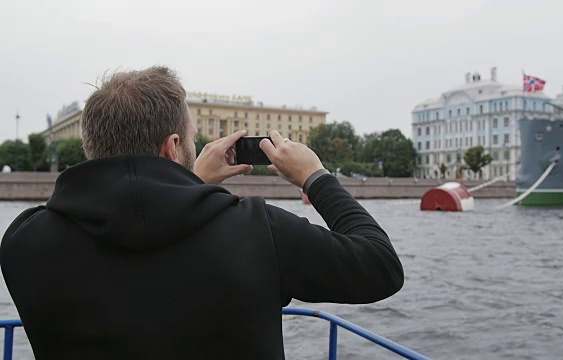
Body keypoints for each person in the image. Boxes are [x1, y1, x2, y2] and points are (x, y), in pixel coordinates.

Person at [0, 66, 403, 359]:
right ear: (172, 147)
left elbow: (137, 210)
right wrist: (316, 177)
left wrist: (191, 181)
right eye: (192, 139)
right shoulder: (258, 232)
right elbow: (380, 266)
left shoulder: (24, 242)